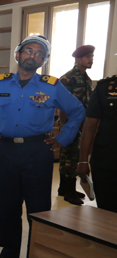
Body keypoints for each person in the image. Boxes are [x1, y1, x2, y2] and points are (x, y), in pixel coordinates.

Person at [0, 35, 85, 258]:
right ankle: (8, 253)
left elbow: (78, 111)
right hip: (6, 151)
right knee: (8, 205)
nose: (33, 55)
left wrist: (63, 138)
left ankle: (39, 255)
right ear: (18, 55)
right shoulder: (1, 83)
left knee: (38, 207)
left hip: (37, 151)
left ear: (43, 60)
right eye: (28, 51)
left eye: (39, 53)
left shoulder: (52, 85)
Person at [56, 45, 94, 205]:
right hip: (70, 125)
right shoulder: (68, 78)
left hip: (82, 125)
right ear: (78, 59)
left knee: (71, 156)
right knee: (69, 157)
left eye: (92, 57)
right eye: (88, 57)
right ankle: (68, 191)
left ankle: (64, 188)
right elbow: (62, 105)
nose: (91, 60)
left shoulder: (86, 79)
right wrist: (65, 126)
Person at [77, 64, 117, 213]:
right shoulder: (105, 87)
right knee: (107, 212)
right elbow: (89, 126)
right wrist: (82, 161)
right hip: (107, 162)